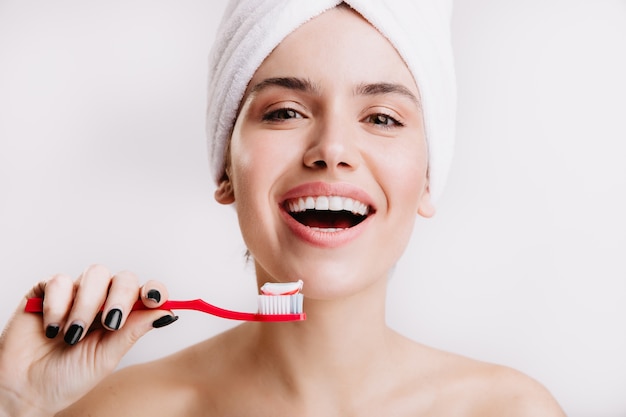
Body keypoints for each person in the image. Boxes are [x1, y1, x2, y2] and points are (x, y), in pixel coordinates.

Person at [0, 1, 566, 415]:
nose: (333, 150)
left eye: (383, 118)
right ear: (224, 167)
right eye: (285, 111)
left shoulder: (511, 410)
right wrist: (17, 405)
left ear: (426, 179)